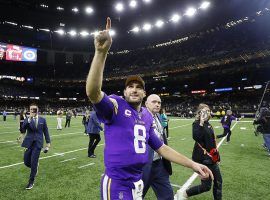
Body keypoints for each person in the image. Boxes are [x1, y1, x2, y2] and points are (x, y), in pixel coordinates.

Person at [86, 18, 213, 200]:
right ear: (124, 91)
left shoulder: (146, 115)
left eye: (138, 87)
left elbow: (161, 148)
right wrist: (100, 53)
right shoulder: (115, 105)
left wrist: (193, 164)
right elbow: (93, 92)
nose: (134, 89)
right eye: (130, 86)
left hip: (137, 182)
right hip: (117, 183)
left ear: (144, 93)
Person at [178, 103, 222, 200]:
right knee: (206, 186)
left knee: (218, 182)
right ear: (200, 113)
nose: (207, 113)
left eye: (208, 111)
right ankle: (185, 194)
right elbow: (196, 137)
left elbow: (212, 143)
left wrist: (217, 157)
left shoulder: (208, 124)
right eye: (204, 111)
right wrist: (201, 122)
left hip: (212, 159)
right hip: (204, 159)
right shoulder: (197, 123)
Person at [142, 94, 173, 200]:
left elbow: (162, 138)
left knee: (168, 196)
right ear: (146, 104)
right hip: (144, 165)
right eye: (154, 102)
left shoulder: (158, 116)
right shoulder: (139, 116)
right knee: (136, 196)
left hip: (159, 164)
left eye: (159, 102)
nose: (157, 104)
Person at [18, 103, 51, 190]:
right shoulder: (27, 119)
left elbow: (46, 132)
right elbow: (23, 129)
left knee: (33, 162)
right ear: (29, 110)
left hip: (38, 144)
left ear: (37, 110)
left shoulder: (42, 120)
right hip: (28, 143)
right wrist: (29, 119)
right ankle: (35, 167)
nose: (33, 110)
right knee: (26, 162)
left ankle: (31, 182)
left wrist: (48, 143)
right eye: (31, 109)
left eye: (34, 109)